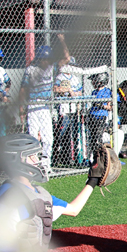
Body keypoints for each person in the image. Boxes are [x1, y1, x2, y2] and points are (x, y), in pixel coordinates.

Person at [20, 45, 55, 173]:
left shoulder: (51, 69)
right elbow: (23, 88)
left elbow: (66, 60)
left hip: (45, 105)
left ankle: (46, 164)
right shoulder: (30, 70)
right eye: (44, 59)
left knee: (48, 138)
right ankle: (33, 164)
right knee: (33, 136)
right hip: (33, 104)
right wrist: (21, 106)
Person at [53, 34, 83, 167]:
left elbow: (79, 92)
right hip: (63, 109)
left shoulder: (75, 78)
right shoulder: (60, 76)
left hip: (74, 109)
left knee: (74, 134)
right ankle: (58, 157)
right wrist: (67, 90)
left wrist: (73, 93)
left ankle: (72, 158)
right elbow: (55, 88)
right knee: (62, 134)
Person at [88, 72, 113, 148]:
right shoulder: (94, 92)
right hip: (92, 116)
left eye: (94, 80)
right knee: (92, 137)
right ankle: (93, 152)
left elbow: (109, 107)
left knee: (98, 137)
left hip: (101, 116)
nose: (92, 83)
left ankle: (100, 151)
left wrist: (101, 106)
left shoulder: (107, 91)